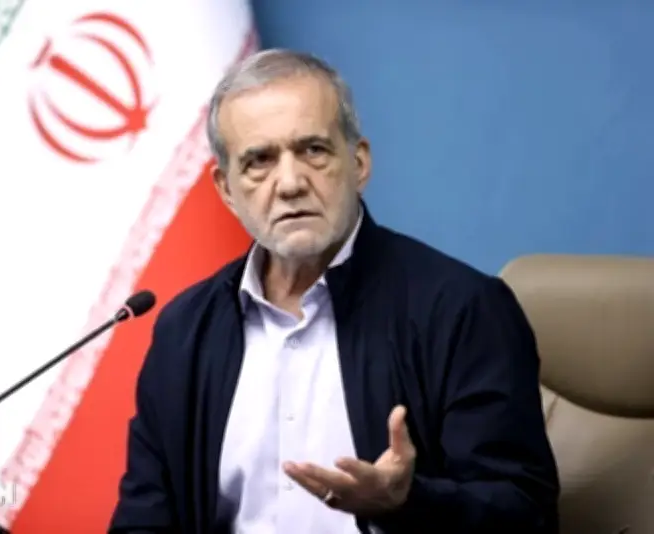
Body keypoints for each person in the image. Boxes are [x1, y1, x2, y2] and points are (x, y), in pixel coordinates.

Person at [108, 48, 560, 534]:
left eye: (313, 150)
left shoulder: (461, 310)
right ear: (226, 190)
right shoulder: (185, 331)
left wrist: (408, 502)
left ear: (358, 163)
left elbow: (525, 513)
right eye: (259, 161)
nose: (290, 183)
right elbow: (143, 520)